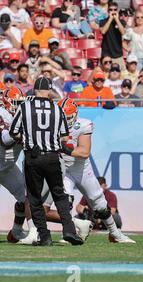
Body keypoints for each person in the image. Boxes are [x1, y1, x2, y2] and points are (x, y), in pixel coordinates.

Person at [39, 98, 135, 243]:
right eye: (62, 117)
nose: (65, 121)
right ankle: (70, 232)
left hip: (81, 168)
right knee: (65, 202)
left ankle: (115, 233)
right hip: (62, 169)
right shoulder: (50, 124)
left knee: (100, 204)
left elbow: (84, 152)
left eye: (68, 117)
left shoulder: (82, 125)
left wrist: (64, 149)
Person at [8, 77, 83, 246]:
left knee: (34, 199)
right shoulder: (57, 109)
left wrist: (27, 138)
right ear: (49, 90)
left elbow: (13, 131)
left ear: (34, 90)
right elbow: (64, 137)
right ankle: (69, 230)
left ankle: (44, 235)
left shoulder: (25, 107)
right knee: (60, 195)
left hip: (33, 157)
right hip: (52, 157)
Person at [0, 86, 34, 244]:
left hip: (7, 168)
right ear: (6, 102)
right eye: (15, 102)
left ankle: (18, 231)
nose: (18, 105)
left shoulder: (23, 116)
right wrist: (23, 130)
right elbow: (5, 141)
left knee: (25, 197)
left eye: (20, 102)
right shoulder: (2, 114)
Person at [100, 2, 126, 70]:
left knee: (121, 75)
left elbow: (123, 32)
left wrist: (117, 19)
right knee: (105, 75)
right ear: (108, 11)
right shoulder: (103, 21)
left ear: (117, 11)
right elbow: (103, 31)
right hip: (106, 55)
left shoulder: (122, 22)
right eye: (111, 10)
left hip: (118, 54)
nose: (113, 11)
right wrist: (110, 19)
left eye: (115, 9)